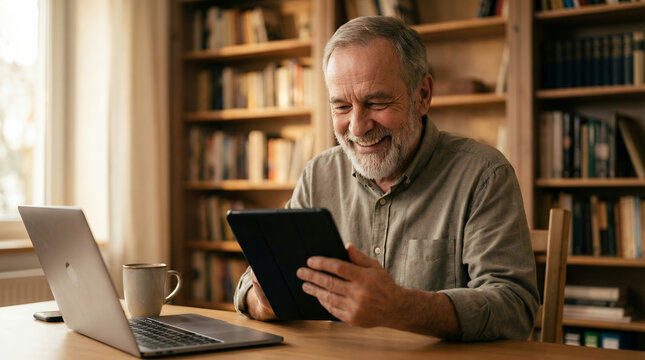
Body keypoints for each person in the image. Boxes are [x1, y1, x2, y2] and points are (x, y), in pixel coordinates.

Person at [233, 16, 539, 341]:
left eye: (376, 103)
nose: (357, 127)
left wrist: (399, 308)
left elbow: (514, 309)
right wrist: (260, 301)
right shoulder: (319, 174)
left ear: (422, 95)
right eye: (341, 106)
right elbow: (256, 281)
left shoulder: (484, 175)